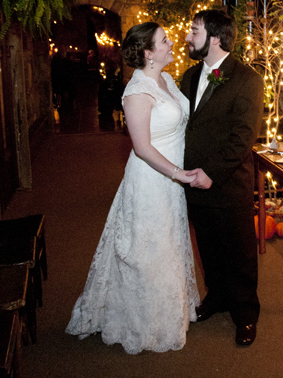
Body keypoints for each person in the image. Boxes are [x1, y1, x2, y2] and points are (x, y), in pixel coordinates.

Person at [66, 22, 200, 354]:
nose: (172, 43)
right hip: (153, 180)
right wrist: (179, 173)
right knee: (147, 247)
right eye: (165, 40)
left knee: (170, 241)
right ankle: (144, 322)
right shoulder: (137, 91)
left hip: (171, 180)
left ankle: (172, 309)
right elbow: (141, 147)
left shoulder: (166, 79)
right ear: (148, 53)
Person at [181, 9, 264, 346]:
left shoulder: (247, 79)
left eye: (194, 30)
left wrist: (211, 174)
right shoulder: (188, 76)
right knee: (208, 248)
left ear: (215, 37)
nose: (188, 36)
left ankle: (245, 314)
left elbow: (243, 138)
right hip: (193, 183)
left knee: (239, 251)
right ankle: (216, 297)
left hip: (228, 185)